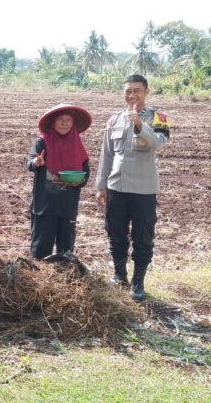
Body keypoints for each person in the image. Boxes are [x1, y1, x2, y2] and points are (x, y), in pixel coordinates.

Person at [95, 75, 170, 301]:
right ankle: (119, 276)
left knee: (143, 237)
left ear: (146, 92)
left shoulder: (159, 117)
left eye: (137, 91)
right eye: (128, 91)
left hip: (144, 190)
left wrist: (139, 124)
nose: (132, 95)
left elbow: (158, 143)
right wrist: (101, 186)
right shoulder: (115, 119)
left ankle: (138, 282)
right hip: (117, 187)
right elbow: (106, 155)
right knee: (115, 234)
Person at [27, 104, 92, 260]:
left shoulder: (77, 144)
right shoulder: (42, 142)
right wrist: (36, 163)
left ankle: (64, 279)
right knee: (41, 249)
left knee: (66, 249)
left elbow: (86, 172)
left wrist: (78, 182)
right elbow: (29, 162)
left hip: (68, 205)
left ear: (73, 123)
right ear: (53, 122)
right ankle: (39, 280)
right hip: (45, 206)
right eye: (60, 120)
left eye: (68, 120)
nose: (64, 123)